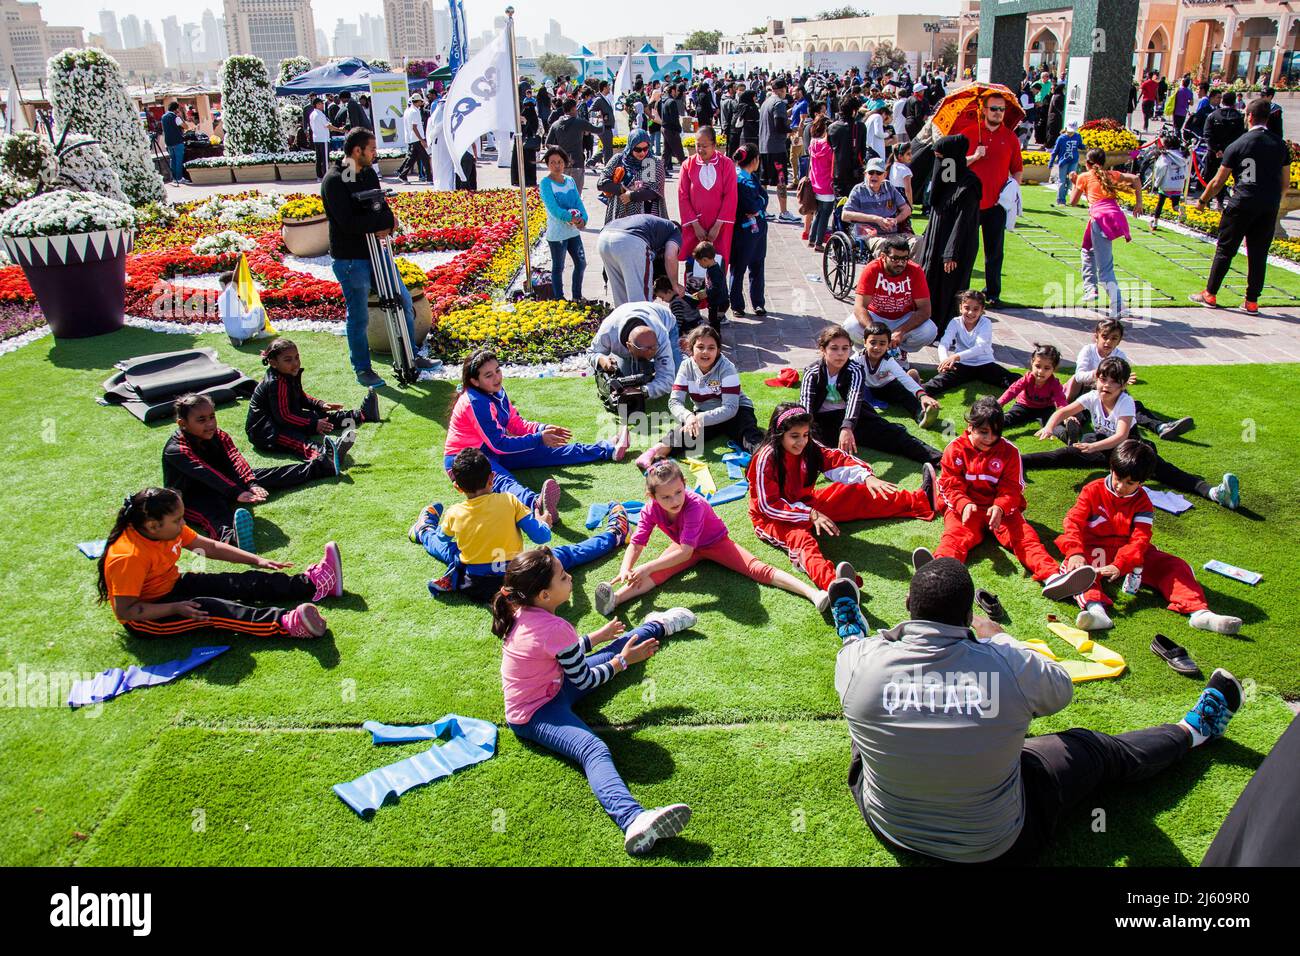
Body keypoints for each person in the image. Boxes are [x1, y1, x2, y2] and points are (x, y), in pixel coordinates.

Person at [828, 554, 1246, 864]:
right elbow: (1060, 690)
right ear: (970, 614)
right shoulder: (1007, 664)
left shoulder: (858, 662)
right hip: (995, 847)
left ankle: (851, 625)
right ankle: (1197, 730)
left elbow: (864, 665)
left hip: (890, 826)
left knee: (864, 712)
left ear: (906, 603)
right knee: (1093, 748)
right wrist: (999, 638)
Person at [495, 547, 696, 856]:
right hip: (535, 713)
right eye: (562, 576)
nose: (570, 577)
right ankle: (633, 820)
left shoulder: (521, 609)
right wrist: (623, 663)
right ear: (545, 595)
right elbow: (585, 678)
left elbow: (560, 652)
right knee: (593, 749)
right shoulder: (555, 627)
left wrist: (594, 639)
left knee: (612, 648)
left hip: (553, 684)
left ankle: (658, 624)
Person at [595, 458, 831, 617]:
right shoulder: (649, 510)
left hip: (714, 543)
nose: (675, 500)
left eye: (678, 492)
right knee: (652, 574)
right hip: (683, 547)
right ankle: (614, 600)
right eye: (666, 497)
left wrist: (646, 566)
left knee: (758, 569)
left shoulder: (694, 504)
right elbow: (636, 543)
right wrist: (626, 567)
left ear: (685, 484)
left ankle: (813, 593)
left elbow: (686, 551)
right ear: (652, 496)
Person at [98, 487, 343, 640]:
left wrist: (256, 560)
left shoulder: (164, 529)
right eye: (178, 520)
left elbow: (210, 547)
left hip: (174, 585)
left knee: (237, 582)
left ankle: (313, 583)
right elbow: (126, 611)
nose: (184, 525)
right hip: (149, 618)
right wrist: (176, 608)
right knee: (215, 609)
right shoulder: (128, 556)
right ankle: (286, 624)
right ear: (153, 526)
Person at [913, 396, 1097, 599]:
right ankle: (935, 574)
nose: (989, 438)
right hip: (965, 510)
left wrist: (1000, 507)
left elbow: (1011, 489)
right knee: (954, 537)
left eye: (995, 433)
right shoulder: (954, 449)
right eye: (983, 432)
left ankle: (1053, 578)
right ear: (969, 425)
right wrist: (963, 504)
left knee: (1026, 539)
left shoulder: (1010, 452)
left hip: (1003, 512)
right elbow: (949, 484)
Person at [1055, 439, 1243, 636]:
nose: (1120, 486)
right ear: (1111, 468)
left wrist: (1120, 564)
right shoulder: (1092, 490)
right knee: (1077, 570)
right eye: (1118, 478)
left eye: (1130, 483)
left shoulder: (1143, 501)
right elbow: (1073, 521)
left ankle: (1199, 613)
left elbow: (1140, 539)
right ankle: (1096, 611)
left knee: (1176, 565)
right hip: (1093, 548)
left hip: (1129, 552)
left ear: (1142, 482)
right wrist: (1076, 552)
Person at [747, 402, 936, 593]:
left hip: (806, 502)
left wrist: (866, 477)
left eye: (805, 435)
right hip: (772, 518)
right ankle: (836, 586)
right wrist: (810, 515)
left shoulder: (809, 446)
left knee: (853, 492)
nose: (802, 441)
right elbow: (767, 505)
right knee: (802, 541)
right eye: (794, 436)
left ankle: (921, 501)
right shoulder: (766, 457)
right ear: (779, 435)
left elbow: (834, 458)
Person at [1025, 356, 1241, 510]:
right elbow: (1063, 411)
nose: (1106, 386)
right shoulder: (1092, 396)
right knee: (1062, 456)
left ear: (1123, 385)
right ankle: (1017, 461)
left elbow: (1120, 436)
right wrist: (1049, 426)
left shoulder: (1125, 402)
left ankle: (1216, 493)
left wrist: (1091, 448)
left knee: (1167, 472)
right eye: (1102, 379)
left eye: (1113, 382)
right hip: (1102, 444)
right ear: (1096, 379)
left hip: (1131, 452)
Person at [413, 448, 628, 598]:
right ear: (491, 479)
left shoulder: (454, 512)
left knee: (446, 548)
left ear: (458, 488)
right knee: (567, 553)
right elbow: (541, 537)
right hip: (517, 576)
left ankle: (423, 530)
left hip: (474, 583)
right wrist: (543, 521)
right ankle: (615, 535)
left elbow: (442, 538)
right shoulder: (508, 500)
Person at [444, 350, 626, 523]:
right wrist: (539, 437)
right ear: (475, 381)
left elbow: (515, 423)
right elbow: (499, 444)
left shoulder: (496, 391)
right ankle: (538, 506)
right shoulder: (475, 402)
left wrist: (542, 428)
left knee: (548, 450)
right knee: (503, 480)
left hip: (490, 450)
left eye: (497, 370)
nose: (497, 377)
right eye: (488, 375)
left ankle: (607, 449)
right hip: (465, 461)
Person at [321, 127, 436, 387]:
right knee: (359, 316)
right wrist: (377, 223)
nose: (375, 154)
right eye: (371, 149)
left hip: (377, 253)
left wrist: (383, 223)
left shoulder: (368, 174)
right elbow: (348, 223)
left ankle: (410, 356)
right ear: (356, 151)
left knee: (404, 301)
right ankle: (363, 368)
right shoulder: (335, 180)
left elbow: (384, 211)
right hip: (351, 259)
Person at [163, 393, 341, 551]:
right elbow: (204, 472)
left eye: (212, 417)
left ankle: (324, 465)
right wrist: (236, 492)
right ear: (183, 424)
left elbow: (235, 458)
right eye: (201, 420)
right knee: (214, 512)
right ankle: (232, 537)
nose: (210, 424)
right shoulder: (177, 449)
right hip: (192, 497)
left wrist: (251, 483)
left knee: (269, 475)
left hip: (225, 483)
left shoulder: (219, 435)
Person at [1190, 98, 1291, 314]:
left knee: (1225, 250)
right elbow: (1285, 182)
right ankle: (1251, 301)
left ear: (1250, 117)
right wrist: (1273, 200)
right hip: (1268, 205)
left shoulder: (1238, 144)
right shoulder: (1280, 144)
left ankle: (1210, 293)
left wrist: (1202, 201)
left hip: (1242, 202)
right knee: (1258, 253)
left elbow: (1218, 181)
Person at [802, 326, 942, 466]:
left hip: (855, 418)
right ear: (823, 350)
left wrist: (847, 427)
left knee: (896, 435)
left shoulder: (855, 370)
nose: (840, 353)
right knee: (809, 446)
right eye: (834, 348)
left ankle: (943, 460)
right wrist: (808, 433)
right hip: (822, 422)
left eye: (845, 348)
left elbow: (854, 399)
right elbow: (806, 407)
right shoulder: (812, 372)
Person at [633, 325, 763, 472]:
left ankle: (767, 459)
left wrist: (699, 419)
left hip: (737, 410)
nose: (705, 352)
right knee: (684, 432)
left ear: (718, 350)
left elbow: (731, 408)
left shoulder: (727, 368)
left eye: (711, 347)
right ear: (691, 348)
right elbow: (675, 401)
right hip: (705, 412)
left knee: (749, 435)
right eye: (700, 347)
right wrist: (688, 417)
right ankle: (655, 454)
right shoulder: (686, 366)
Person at [245, 339, 380, 463]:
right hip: (265, 431)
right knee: (296, 440)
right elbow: (283, 417)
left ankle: (362, 414)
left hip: (285, 419)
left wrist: (320, 405)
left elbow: (301, 397)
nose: (295, 363)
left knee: (323, 418)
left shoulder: (288, 374)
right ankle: (327, 455)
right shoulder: (275, 383)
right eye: (288, 360)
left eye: (297, 357)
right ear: (273, 363)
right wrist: (312, 424)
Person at [1064, 319, 1193, 437]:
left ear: (1119, 341)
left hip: (1110, 392)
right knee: (1085, 409)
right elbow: (1079, 376)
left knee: (1132, 406)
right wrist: (1100, 374)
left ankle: (1160, 427)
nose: (1108, 341)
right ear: (1096, 336)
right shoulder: (1088, 351)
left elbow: (1120, 379)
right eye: (1105, 337)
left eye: (1114, 338)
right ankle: (1072, 425)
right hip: (1087, 390)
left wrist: (1123, 380)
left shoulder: (1120, 355)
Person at [951, 94, 1023, 307]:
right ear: (983, 109)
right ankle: (961, 290)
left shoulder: (1010, 137)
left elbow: (1017, 169)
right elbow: (953, 165)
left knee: (995, 251)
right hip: (970, 203)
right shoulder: (968, 134)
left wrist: (1013, 191)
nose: (998, 113)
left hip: (997, 204)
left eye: (1001, 109)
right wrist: (974, 157)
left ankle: (993, 292)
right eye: (993, 108)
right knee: (965, 249)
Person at [914, 134, 982, 335]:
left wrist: (950, 253)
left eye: (941, 157)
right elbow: (937, 211)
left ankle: (945, 329)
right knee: (931, 282)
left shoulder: (968, 185)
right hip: (936, 244)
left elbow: (963, 221)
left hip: (954, 248)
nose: (939, 163)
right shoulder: (947, 179)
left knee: (948, 287)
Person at [1068, 147, 1143, 319]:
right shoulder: (1111, 174)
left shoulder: (1084, 176)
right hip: (1114, 217)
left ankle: (1118, 306)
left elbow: (1073, 201)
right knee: (1087, 250)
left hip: (1100, 219)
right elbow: (1136, 179)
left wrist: (1074, 182)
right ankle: (1090, 289)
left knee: (1105, 268)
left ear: (1087, 164)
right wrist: (1139, 203)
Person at [587, 298, 681, 432]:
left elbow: (667, 380)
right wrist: (602, 360)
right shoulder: (608, 332)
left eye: (653, 351)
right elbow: (591, 352)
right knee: (622, 383)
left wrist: (643, 390)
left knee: (677, 381)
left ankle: (672, 361)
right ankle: (645, 369)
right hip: (621, 317)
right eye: (644, 354)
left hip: (666, 320)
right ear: (628, 346)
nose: (650, 355)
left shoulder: (661, 335)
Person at [844, 235, 937, 355]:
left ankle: (900, 351)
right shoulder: (872, 269)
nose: (901, 263)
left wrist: (901, 331)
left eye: (905, 259)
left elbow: (925, 310)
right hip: (875, 316)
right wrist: (874, 331)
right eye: (895, 259)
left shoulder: (915, 271)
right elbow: (859, 307)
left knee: (929, 330)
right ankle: (869, 351)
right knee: (850, 326)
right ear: (883, 256)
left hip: (903, 318)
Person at [921, 290, 1017, 396]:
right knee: (938, 382)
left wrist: (955, 357)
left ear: (982, 310)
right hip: (962, 365)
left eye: (976, 309)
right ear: (960, 308)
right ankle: (917, 392)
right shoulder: (955, 322)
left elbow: (980, 347)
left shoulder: (986, 323)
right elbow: (944, 343)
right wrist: (945, 361)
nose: (970, 312)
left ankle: (1034, 389)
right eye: (967, 308)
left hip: (985, 363)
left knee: (1013, 381)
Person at [677, 126, 737, 267]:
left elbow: (730, 196)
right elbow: (682, 196)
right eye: (698, 145)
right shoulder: (687, 165)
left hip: (720, 228)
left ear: (714, 145)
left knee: (718, 265)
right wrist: (696, 225)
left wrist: (717, 226)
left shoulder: (726, 164)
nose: (700, 150)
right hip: (695, 227)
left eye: (705, 146)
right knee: (694, 267)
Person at [596, 213, 684, 306]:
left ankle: (624, 319)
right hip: (630, 240)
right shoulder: (674, 230)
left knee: (621, 298)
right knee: (641, 301)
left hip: (604, 238)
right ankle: (640, 319)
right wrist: (675, 285)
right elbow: (670, 256)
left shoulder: (654, 225)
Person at [538, 146, 588, 301]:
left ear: (565, 163)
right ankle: (559, 299)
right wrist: (570, 218)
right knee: (558, 267)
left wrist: (583, 219)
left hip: (573, 232)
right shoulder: (546, 183)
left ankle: (577, 297)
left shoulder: (570, 181)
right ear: (547, 164)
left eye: (559, 162)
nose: (556, 166)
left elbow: (578, 202)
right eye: (552, 162)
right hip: (557, 233)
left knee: (581, 263)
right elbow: (554, 209)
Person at [841, 158, 914, 256]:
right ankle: (883, 270)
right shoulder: (858, 190)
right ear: (865, 174)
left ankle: (910, 270)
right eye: (871, 172)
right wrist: (875, 219)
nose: (874, 176)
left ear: (884, 175)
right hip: (869, 234)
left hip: (893, 233)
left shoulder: (889, 187)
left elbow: (907, 209)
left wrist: (895, 220)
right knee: (884, 245)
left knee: (917, 241)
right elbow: (845, 215)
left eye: (878, 173)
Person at [729, 143, 769, 317]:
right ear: (755, 160)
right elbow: (753, 205)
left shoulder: (750, 177)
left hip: (757, 229)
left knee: (757, 265)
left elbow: (763, 197)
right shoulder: (740, 180)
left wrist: (759, 202)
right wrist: (760, 203)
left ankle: (758, 302)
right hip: (744, 231)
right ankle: (737, 304)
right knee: (739, 267)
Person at [596, 130, 666, 225]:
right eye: (638, 149)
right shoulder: (618, 159)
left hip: (645, 216)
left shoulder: (652, 163)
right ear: (630, 147)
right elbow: (601, 183)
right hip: (617, 214)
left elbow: (655, 191)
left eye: (646, 148)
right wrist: (623, 191)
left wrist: (632, 196)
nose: (642, 153)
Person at [998, 343, 1067, 429]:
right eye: (1038, 366)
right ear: (1032, 363)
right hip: (1024, 406)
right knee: (1009, 418)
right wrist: (1000, 403)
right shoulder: (1027, 378)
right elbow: (1013, 390)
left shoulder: (1054, 384)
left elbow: (1061, 400)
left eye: (1047, 368)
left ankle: (1067, 433)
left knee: (1052, 424)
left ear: (1054, 368)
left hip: (1045, 409)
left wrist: (1065, 414)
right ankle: (986, 422)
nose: (1041, 371)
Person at [759, 77, 800, 222]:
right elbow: (779, 125)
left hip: (764, 147)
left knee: (763, 180)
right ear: (783, 90)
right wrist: (791, 129)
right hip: (776, 147)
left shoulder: (765, 103)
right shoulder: (779, 103)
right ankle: (783, 212)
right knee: (781, 180)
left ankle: (762, 210)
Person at [544, 98, 601, 191]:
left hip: (561, 164)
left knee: (562, 193)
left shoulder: (556, 124)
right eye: (576, 108)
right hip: (577, 162)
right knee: (576, 194)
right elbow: (599, 130)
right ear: (572, 109)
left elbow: (547, 143)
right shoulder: (579, 122)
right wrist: (601, 120)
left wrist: (559, 150)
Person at [1202, 94, 1245, 211]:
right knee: (1226, 178)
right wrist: (1228, 151)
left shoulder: (1213, 116)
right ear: (1234, 102)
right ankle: (1220, 202)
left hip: (1214, 153)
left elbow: (1207, 134)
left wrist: (1216, 149)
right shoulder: (1239, 117)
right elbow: (1241, 136)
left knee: (1210, 175)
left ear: (1222, 101)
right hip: (1232, 154)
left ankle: (1206, 200)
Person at [1148, 135, 1189, 231]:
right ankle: (1179, 209)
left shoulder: (1165, 156)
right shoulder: (1183, 155)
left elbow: (1160, 171)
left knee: (1160, 204)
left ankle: (1155, 222)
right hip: (1178, 185)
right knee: (1175, 204)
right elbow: (1186, 172)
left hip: (1166, 185)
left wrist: (1156, 184)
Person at [828, 97, 866, 199]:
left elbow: (830, 147)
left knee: (840, 204)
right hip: (854, 172)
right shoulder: (860, 127)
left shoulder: (831, 127)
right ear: (854, 111)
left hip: (838, 172)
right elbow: (863, 152)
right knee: (855, 204)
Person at [1049, 120, 1084, 206]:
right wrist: (1051, 162)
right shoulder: (1061, 138)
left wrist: (1086, 146)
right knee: (1062, 181)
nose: (1070, 133)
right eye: (1069, 131)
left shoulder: (1078, 136)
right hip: (1063, 162)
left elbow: (1080, 145)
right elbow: (1055, 151)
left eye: (1072, 131)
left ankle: (1065, 197)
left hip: (1074, 161)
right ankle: (1060, 200)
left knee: (1071, 182)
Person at [397, 93, 430, 183]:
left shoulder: (408, 111)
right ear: (418, 101)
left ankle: (403, 175)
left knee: (412, 158)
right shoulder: (415, 112)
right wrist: (421, 140)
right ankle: (430, 178)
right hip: (417, 138)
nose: (421, 103)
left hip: (412, 138)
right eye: (420, 101)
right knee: (425, 158)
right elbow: (414, 127)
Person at [307, 97, 342, 180]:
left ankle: (319, 176)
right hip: (323, 139)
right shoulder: (320, 114)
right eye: (321, 103)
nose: (323, 105)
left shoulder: (312, 114)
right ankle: (326, 177)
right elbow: (328, 126)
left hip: (316, 138)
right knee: (325, 159)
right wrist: (339, 130)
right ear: (317, 104)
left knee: (318, 159)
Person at [509, 97, 539, 189]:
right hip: (529, 144)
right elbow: (534, 130)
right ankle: (529, 179)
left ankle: (517, 179)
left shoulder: (520, 115)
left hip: (519, 141)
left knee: (518, 160)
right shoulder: (534, 116)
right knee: (529, 162)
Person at [660, 84, 687, 176]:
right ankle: (687, 172)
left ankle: (661, 171)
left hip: (664, 127)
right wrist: (679, 129)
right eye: (676, 90)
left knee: (666, 152)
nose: (677, 92)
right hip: (671, 129)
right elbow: (675, 118)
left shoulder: (664, 100)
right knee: (679, 152)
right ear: (672, 91)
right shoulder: (671, 102)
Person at [161, 101, 187, 186]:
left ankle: (174, 178)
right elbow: (185, 126)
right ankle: (179, 178)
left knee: (173, 160)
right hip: (177, 141)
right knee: (179, 160)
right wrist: (180, 116)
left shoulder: (163, 117)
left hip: (168, 142)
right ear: (176, 109)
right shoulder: (175, 117)